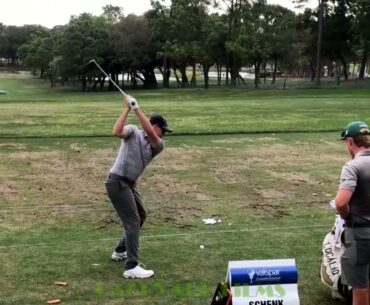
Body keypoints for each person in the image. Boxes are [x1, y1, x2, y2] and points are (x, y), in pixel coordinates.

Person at [105, 95, 172, 279]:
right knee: (133, 221)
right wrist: (127, 109)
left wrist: (137, 108)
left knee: (140, 216)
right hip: (117, 181)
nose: (163, 134)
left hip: (129, 184)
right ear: (156, 126)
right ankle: (131, 266)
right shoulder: (133, 131)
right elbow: (116, 131)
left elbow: (150, 134)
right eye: (163, 130)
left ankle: (120, 250)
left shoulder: (158, 145)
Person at [335, 121, 370, 305]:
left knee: (360, 285)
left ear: (350, 141)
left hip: (360, 235)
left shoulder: (353, 166)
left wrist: (346, 215)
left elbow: (341, 202)